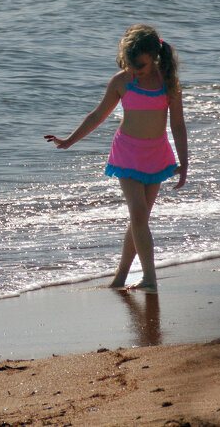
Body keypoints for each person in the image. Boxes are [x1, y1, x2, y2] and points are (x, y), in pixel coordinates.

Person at [44, 24, 188, 293]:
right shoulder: (122, 81)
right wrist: (69, 140)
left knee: (139, 219)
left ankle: (120, 278)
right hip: (127, 154)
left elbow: (178, 126)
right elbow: (97, 115)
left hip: (156, 155)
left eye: (141, 66)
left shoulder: (168, 83)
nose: (135, 71)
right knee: (139, 216)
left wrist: (184, 163)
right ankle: (150, 278)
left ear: (154, 57)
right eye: (130, 65)